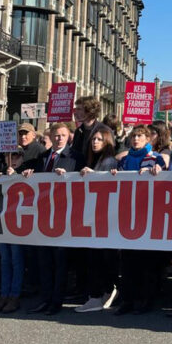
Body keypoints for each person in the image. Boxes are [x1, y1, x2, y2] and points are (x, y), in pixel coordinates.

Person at [19, 122, 78, 315]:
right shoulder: (43, 157)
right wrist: (30, 174)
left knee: (59, 261)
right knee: (44, 260)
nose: (59, 138)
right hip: (43, 215)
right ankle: (45, 298)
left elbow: (82, 182)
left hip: (62, 215)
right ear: (50, 137)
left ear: (68, 137)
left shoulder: (75, 157)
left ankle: (56, 301)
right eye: (56, 135)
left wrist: (69, 176)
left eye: (63, 135)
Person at [117, 125, 169, 316]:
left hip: (148, 214)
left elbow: (164, 172)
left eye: (140, 136)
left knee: (146, 261)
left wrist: (159, 169)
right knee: (128, 261)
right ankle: (128, 300)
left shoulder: (155, 158)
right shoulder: (125, 160)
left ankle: (146, 299)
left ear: (148, 139)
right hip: (128, 214)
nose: (136, 139)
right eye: (133, 136)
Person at [75, 124, 119, 313]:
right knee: (96, 257)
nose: (95, 142)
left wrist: (95, 177)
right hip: (95, 216)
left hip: (103, 217)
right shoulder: (95, 160)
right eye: (93, 139)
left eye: (99, 139)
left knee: (100, 257)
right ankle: (101, 293)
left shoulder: (108, 161)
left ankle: (102, 293)